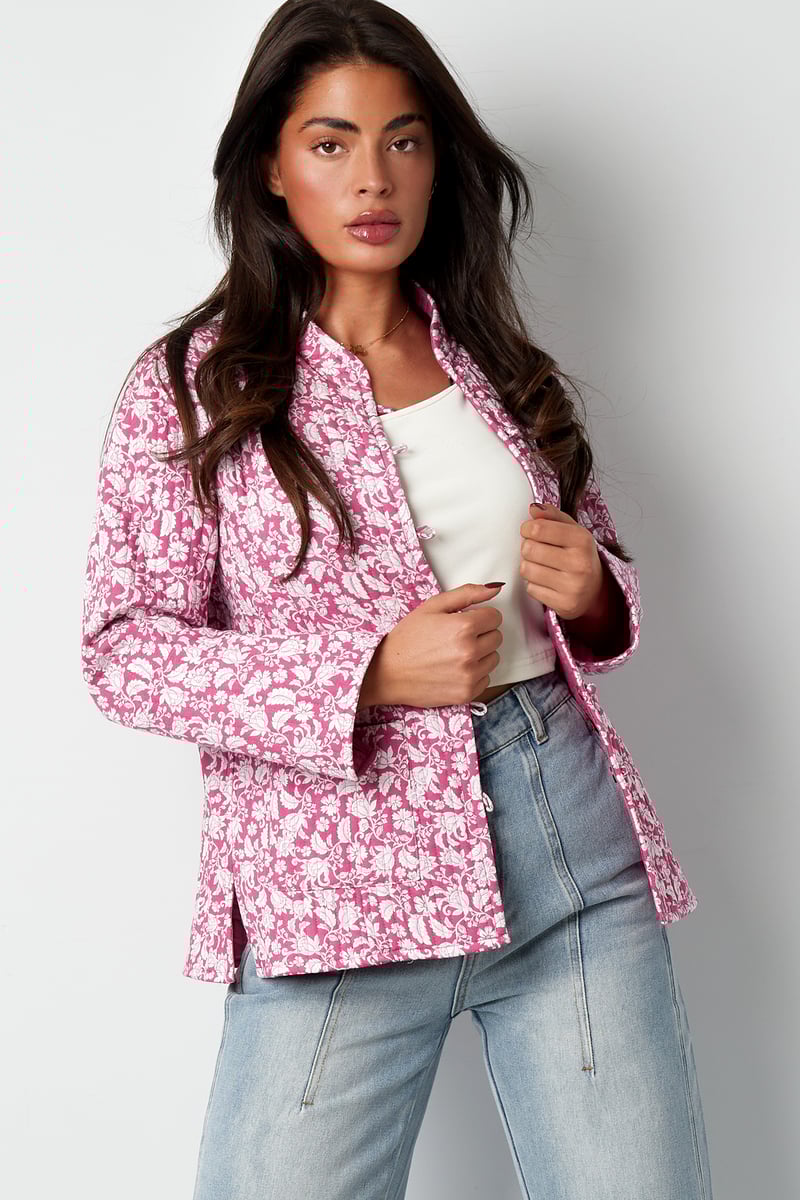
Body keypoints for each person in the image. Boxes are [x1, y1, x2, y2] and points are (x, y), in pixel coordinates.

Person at [80, 2, 714, 1196]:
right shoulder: (195, 387)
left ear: (436, 164)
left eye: (403, 141)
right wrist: (366, 671)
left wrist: (592, 589)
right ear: (270, 169)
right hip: (339, 893)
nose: (372, 178)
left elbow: (598, 577)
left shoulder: (495, 362)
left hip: (568, 852)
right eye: (330, 143)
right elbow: (122, 651)